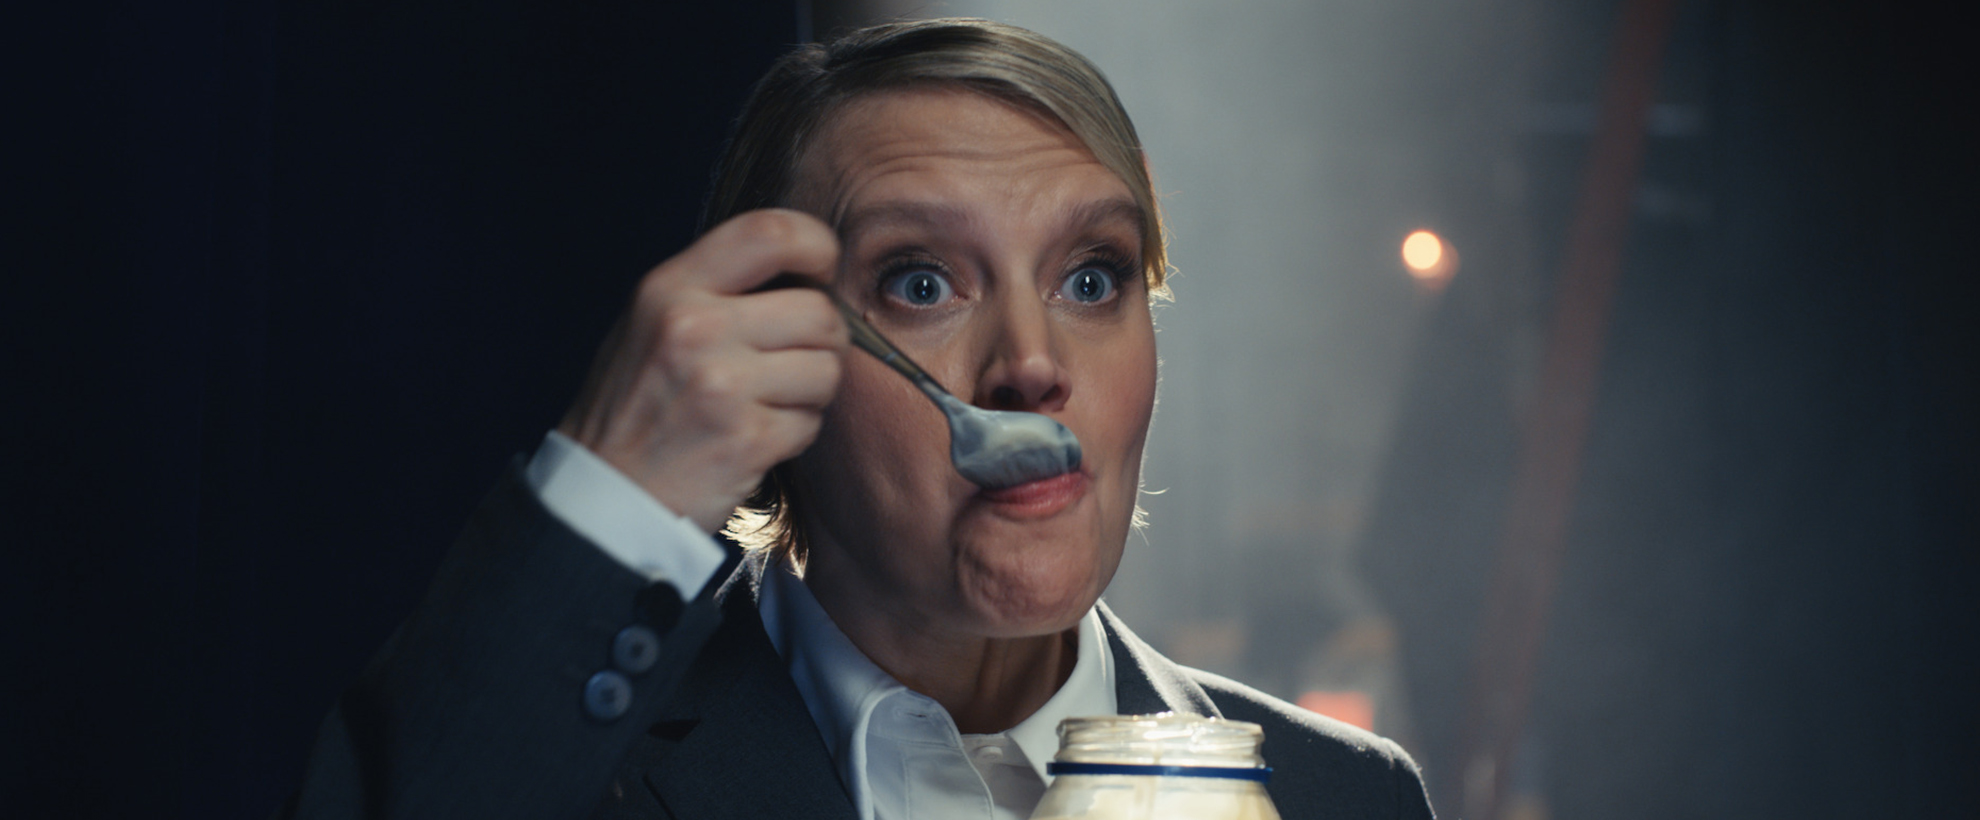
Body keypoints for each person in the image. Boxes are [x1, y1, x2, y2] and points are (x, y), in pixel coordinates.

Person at [283, 18, 1435, 820]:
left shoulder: (1343, 798)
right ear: (773, 363)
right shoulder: (577, 776)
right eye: (921, 282)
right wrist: (613, 491)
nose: (1031, 364)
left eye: (1093, 277)